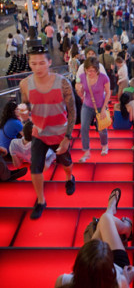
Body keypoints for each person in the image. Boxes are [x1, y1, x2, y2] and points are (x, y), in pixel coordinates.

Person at [19, 47, 76, 219]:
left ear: (50, 63)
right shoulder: (25, 84)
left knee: (66, 163)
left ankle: (69, 178)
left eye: (42, 63)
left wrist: (67, 137)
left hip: (60, 133)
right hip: (39, 132)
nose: (38, 67)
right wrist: (24, 111)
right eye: (34, 63)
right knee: (35, 168)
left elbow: (72, 111)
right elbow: (26, 104)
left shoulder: (63, 83)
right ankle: (41, 200)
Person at [55, 188, 134, 288]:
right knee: (105, 219)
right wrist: (127, 280)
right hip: (119, 267)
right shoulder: (121, 282)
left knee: (105, 219)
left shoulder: (63, 282)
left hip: (101, 267)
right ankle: (125, 226)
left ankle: (110, 210)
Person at [76, 57, 110, 162]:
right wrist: (79, 90)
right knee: (84, 128)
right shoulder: (82, 77)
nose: (90, 73)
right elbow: (81, 94)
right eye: (88, 70)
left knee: (101, 128)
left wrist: (104, 108)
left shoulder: (104, 77)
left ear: (97, 70)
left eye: (93, 70)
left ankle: (104, 145)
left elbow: (108, 92)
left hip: (100, 105)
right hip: (87, 105)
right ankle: (86, 151)